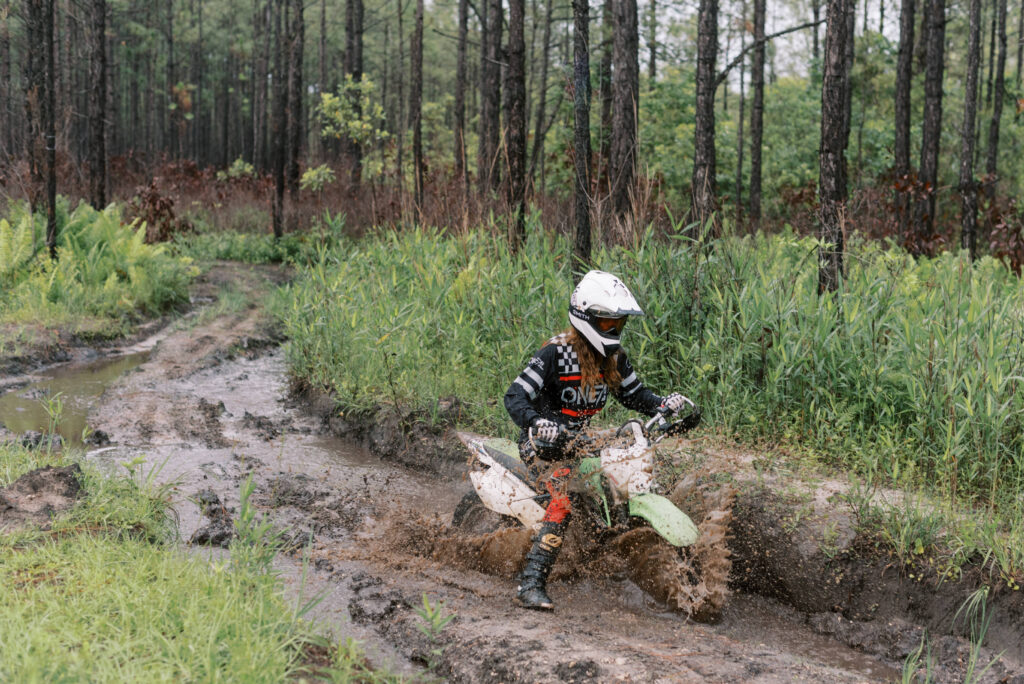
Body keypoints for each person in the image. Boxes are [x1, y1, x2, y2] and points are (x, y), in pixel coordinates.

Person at [503, 270, 692, 610]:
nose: (614, 331)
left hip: (580, 440)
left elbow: (636, 396)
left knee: (625, 472)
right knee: (562, 500)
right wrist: (537, 422)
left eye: (619, 324)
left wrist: (663, 404)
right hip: (544, 445)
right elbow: (515, 395)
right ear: (586, 318)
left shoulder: (614, 359)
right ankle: (531, 584)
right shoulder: (554, 353)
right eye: (607, 324)